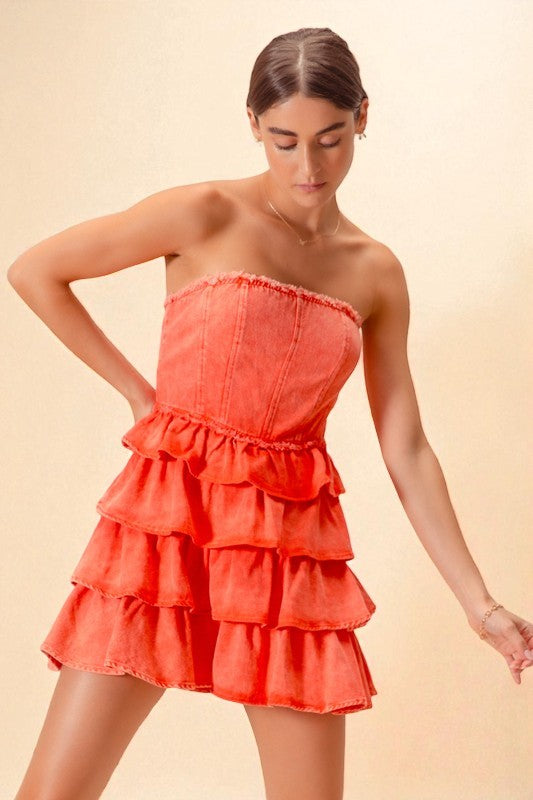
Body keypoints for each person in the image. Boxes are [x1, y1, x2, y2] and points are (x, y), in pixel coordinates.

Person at [7, 26, 532, 800]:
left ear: (361, 117)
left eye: (329, 139)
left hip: (288, 545)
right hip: (165, 522)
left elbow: (406, 444)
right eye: (283, 140)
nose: (306, 167)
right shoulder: (203, 213)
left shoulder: (375, 273)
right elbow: (36, 270)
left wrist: (477, 602)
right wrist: (136, 393)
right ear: (252, 124)